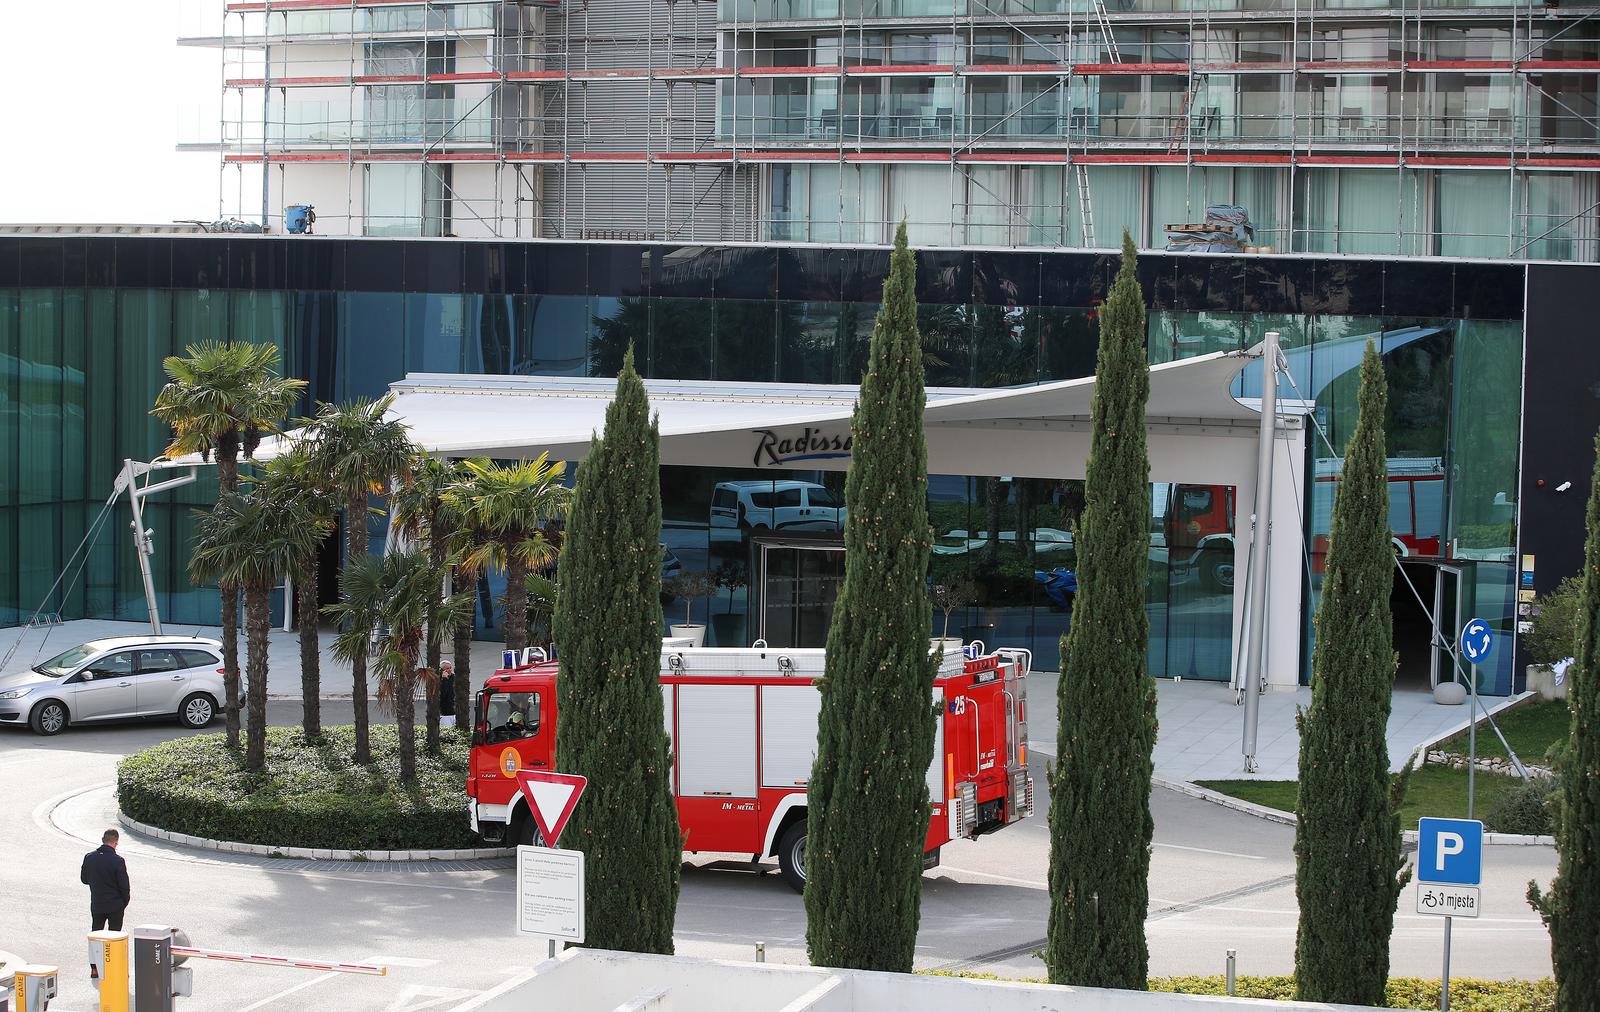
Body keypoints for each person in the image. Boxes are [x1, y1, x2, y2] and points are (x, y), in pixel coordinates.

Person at [81, 828, 130, 932]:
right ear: (116, 842)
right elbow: (124, 887)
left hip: (97, 903)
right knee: (114, 937)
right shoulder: (118, 861)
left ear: (103, 839)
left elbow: (84, 879)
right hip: (115, 905)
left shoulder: (89, 857)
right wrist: (123, 903)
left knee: (97, 935)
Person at [438, 660, 456, 728]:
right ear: (442, 670)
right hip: (445, 712)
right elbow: (443, 694)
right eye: (447, 668)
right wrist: (445, 679)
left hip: (454, 709)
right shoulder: (440, 679)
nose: (449, 670)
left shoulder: (453, 677)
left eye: (450, 668)